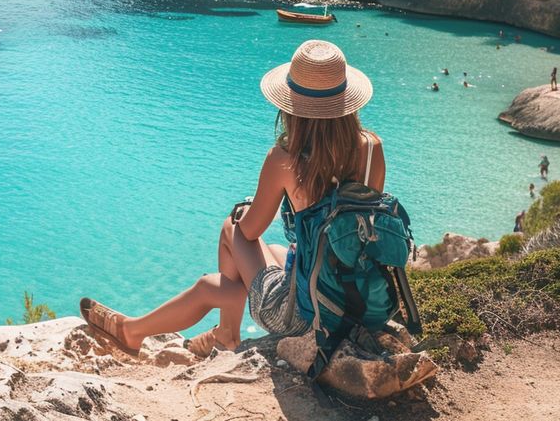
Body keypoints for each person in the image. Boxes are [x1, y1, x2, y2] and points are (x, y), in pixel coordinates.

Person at [78, 40, 383, 357]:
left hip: (304, 317)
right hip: (357, 303)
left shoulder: (285, 159)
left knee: (230, 229)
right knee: (277, 251)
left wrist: (244, 212)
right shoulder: (373, 149)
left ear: (291, 106)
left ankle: (174, 332)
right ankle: (220, 332)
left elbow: (249, 232)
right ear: (346, 102)